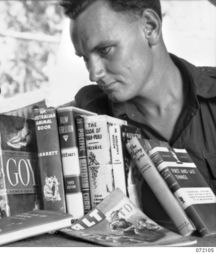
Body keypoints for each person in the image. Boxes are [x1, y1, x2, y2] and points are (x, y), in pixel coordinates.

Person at [60, 0, 216, 225]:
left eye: (105, 50)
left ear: (150, 27)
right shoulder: (83, 119)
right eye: (85, 58)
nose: (94, 73)